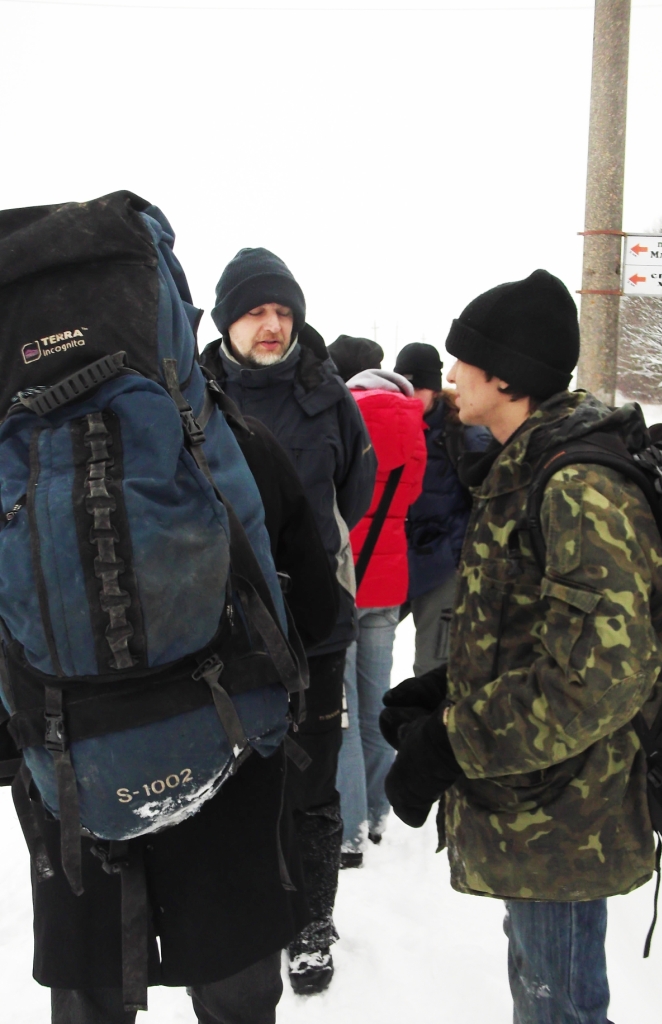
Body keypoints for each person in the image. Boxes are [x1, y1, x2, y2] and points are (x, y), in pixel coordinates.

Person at [381, 270, 662, 1024]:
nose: (450, 375)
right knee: (543, 994)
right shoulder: (524, 466)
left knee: (560, 1009)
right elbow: (533, 630)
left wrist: (451, 743)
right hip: (534, 801)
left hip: (565, 815)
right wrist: (446, 689)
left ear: (506, 377)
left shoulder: (577, 485)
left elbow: (599, 676)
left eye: (465, 359)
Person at [32, 415, 339, 1024]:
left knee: (91, 993)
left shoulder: (23, 450)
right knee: (235, 992)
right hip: (229, 773)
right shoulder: (232, 439)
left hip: (77, 782)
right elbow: (316, 610)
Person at [200, 249, 377, 995]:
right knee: (232, 780)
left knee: (311, 780)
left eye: (283, 311)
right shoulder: (189, 393)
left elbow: (356, 491)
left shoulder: (328, 395)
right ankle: (247, 914)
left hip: (316, 628)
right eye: (255, 312)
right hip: (220, 631)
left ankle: (311, 924)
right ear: (226, 322)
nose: (272, 325)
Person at [327, 338, 426, 867]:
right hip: (388, 583)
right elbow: (410, 496)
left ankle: (349, 832)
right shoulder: (413, 422)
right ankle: (379, 813)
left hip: (346, 578)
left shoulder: (346, 414)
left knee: (341, 713)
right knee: (376, 706)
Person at [393, 343, 489, 676]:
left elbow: (486, 501)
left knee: (432, 667)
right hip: (397, 558)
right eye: (404, 387)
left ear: (434, 389)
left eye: (418, 387)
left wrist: (462, 552)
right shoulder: (391, 424)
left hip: (444, 562)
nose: (410, 395)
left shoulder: (462, 432)